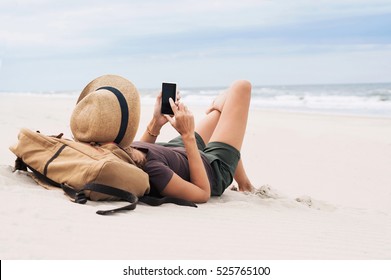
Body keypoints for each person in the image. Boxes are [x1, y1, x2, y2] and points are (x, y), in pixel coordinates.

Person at [128, 80, 255, 203]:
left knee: (226, 103)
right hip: (209, 169)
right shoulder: (154, 169)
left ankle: (245, 184)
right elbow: (202, 193)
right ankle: (245, 185)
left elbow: (138, 156)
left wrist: (156, 123)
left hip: (172, 150)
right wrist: (187, 135)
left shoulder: (114, 149)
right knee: (241, 88)